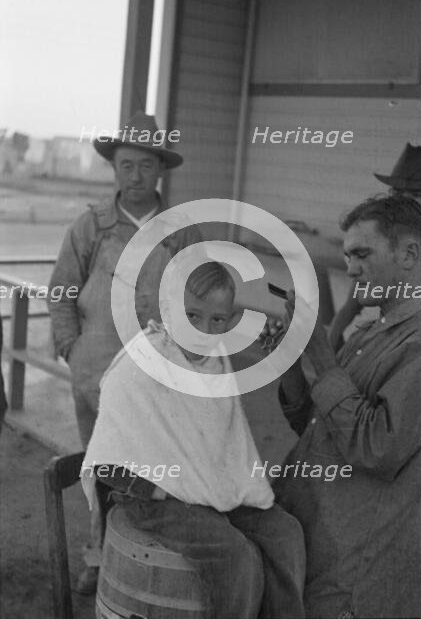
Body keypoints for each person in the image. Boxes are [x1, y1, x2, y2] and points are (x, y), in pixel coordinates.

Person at [81, 262, 306, 619]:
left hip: (205, 490)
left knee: (285, 534)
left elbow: (223, 447)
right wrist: (165, 490)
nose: (203, 331)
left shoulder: (215, 363)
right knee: (236, 555)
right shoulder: (143, 363)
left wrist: (213, 488)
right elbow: (109, 459)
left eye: (217, 320)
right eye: (192, 316)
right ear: (169, 309)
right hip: (151, 497)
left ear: (229, 321)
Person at [48, 111, 201, 593]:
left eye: (146, 167)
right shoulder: (91, 227)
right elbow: (61, 293)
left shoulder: (180, 232)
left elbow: (200, 298)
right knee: (100, 469)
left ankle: (139, 562)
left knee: (151, 472)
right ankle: (96, 558)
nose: (135, 176)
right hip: (94, 374)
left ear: (161, 171)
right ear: (115, 168)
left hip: (158, 379)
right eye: (126, 165)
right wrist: (71, 348)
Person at [271, 195, 421, 618]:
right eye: (346, 255)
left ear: (409, 254)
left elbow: (377, 447)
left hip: (354, 568)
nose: (351, 267)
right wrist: (290, 357)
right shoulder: (370, 330)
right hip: (314, 540)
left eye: (362, 254)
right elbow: (317, 424)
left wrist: (322, 355)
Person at [329, 143, 421, 351]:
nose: (402, 201)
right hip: (367, 352)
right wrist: (325, 352)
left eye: (415, 194)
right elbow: (349, 309)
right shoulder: (381, 242)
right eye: (396, 192)